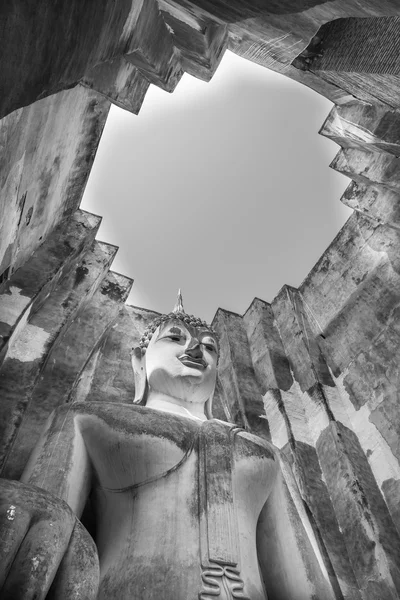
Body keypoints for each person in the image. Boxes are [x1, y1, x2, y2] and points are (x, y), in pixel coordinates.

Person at [0, 295, 333, 600]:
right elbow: (38, 524)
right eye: (175, 338)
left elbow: (304, 583)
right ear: (139, 360)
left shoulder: (263, 453)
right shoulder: (88, 420)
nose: (194, 350)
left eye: (210, 347)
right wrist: (39, 510)